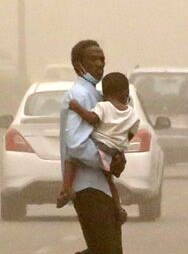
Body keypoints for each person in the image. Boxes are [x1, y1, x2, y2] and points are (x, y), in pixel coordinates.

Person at [28, 40, 141, 254]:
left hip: (99, 184)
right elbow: (78, 145)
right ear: (78, 63)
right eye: (93, 59)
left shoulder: (96, 95)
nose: (100, 64)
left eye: (102, 58)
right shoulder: (79, 95)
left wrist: (116, 157)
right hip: (88, 185)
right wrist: (108, 163)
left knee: (105, 253)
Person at [56, 72, 140, 223]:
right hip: (114, 152)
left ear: (104, 94)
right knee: (110, 182)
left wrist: (77, 108)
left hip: (100, 146)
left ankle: (67, 188)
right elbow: (131, 134)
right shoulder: (133, 115)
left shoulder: (104, 106)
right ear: (126, 93)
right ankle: (118, 209)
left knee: (71, 159)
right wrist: (120, 147)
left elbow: (92, 119)